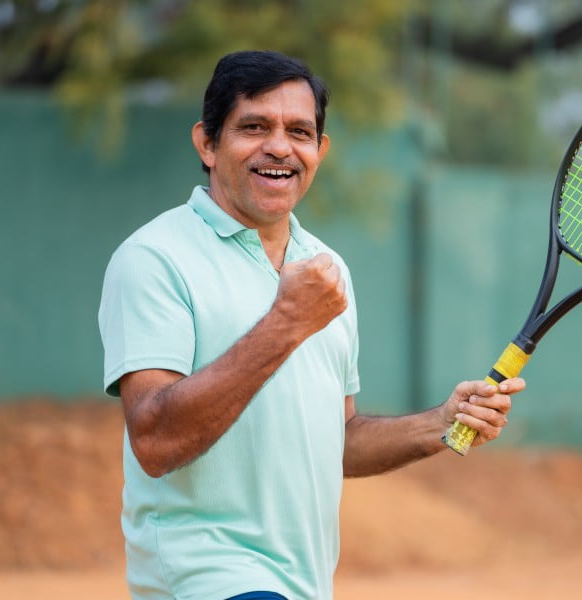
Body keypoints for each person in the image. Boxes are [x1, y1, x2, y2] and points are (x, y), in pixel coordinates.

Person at [98, 50, 525, 600]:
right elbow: (156, 440)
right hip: (204, 580)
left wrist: (440, 422)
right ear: (207, 144)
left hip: (304, 584)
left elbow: (339, 442)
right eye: (255, 127)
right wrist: (285, 324)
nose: (280, 147)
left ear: (319, 152)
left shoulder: (327, 271)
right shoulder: (155, 258)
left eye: (299, 132)